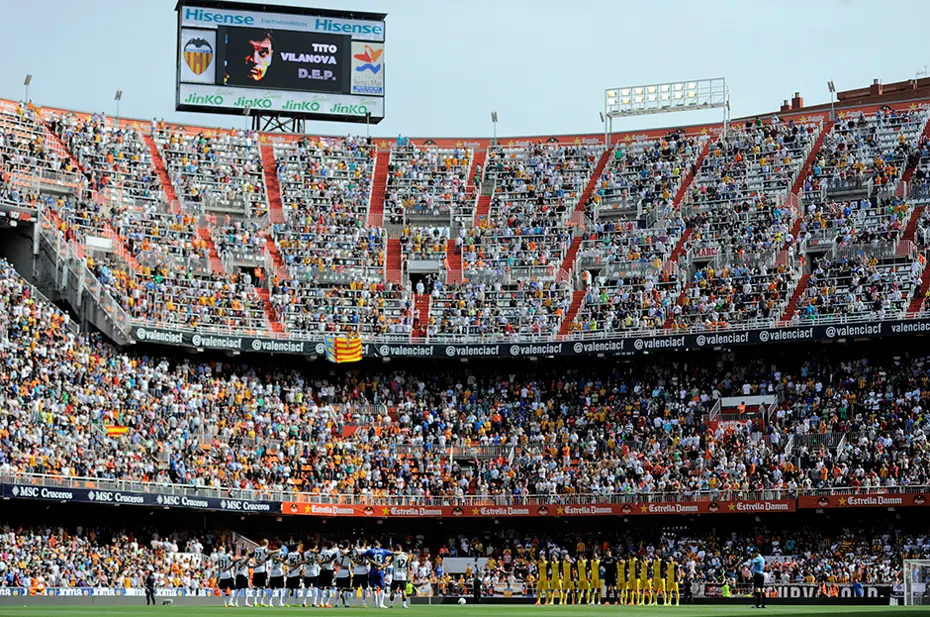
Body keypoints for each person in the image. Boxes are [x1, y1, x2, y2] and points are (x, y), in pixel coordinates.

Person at [363, 539, 394, 609]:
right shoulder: (384, 551)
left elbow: (364, 555)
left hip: (373, 569)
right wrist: (385, 565)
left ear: (373, 545)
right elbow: (393, 554)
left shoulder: (370, 551)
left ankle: (375, 604)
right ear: (379, 545)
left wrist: (370, 560)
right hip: (380, 570)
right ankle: (381, 603)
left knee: (374, 587)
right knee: (382, 587)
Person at [390, 544, 410, 609]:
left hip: (395, 575)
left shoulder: (394, 556)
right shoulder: (406, 556)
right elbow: (408, 568)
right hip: (403, 576)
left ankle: (391, 604)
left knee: (393, 590)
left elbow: (389, 562)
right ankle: (404, 604)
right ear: (401, 549)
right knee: (403, 590)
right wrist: (408, 576)